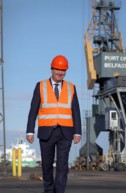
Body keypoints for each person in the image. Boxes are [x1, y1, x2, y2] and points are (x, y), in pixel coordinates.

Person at [26, 55, 82, 193]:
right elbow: (33, 110)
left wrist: (78, 131)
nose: (60, 72)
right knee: (47, 165)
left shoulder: (71, 87)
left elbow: (76, 111)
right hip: (46, 132)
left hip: (66, 132)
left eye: (63, 70)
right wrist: (30, 131)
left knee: (63, 166)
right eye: (57, 69)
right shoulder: (41, 86)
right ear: (51, 69)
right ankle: (49, 191)